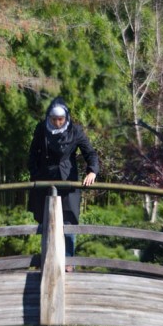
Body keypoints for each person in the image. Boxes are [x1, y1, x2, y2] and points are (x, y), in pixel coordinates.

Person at [28, 97, 99, 258]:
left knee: (68, 222)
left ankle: (68, 261)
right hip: (44, 179)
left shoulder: (76, 131)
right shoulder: (41, 129)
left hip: (68, 180)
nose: (57, 122)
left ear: (66, 117)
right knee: (45, 222)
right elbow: (32, 154)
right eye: (54, 119)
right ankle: (47, 258)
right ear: (49, 117)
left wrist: (92, 171)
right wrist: (35, 175)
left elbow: (90, 153)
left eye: (60, 119)